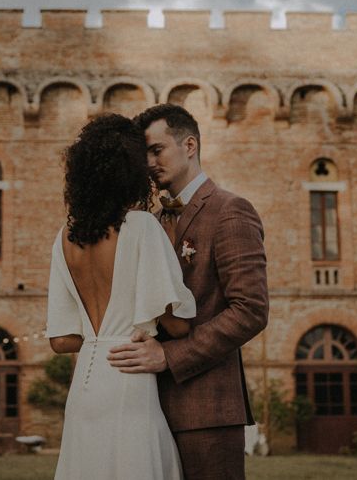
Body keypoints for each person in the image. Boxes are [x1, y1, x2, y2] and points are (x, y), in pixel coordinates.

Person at [107, 103, 269, 480]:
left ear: (190, 145)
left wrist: (169, 356)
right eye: (143, 154)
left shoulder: (230, 210)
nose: (148, 162)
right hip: (148, 408)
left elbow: (251, 309)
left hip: (207, 411)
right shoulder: (153, 220)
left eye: (156, 150)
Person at [46, 114, 196, 479]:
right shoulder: (142, 227)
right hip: (128, 377)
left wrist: (99, 332)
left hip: (85, 386)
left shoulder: (64, 238)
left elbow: (62, 340)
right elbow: (178, 327)